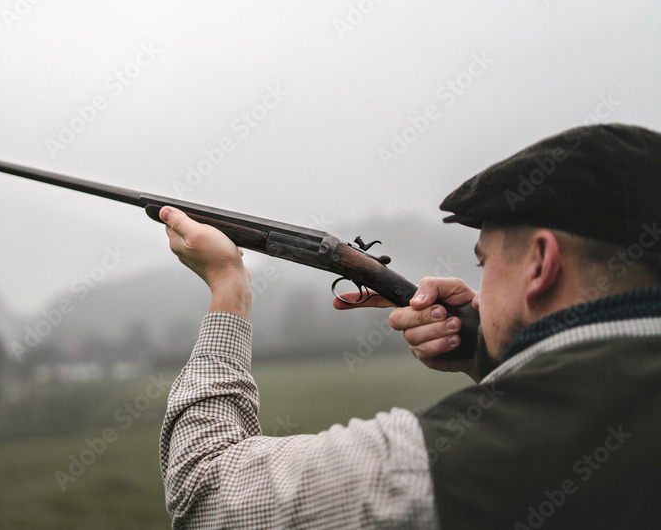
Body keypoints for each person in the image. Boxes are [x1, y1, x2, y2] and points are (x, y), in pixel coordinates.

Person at [157, 123, 661, 529]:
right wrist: (483, 355)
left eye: (483, 265)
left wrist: (229, 286)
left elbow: (204, 493)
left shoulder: (446, 458)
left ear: (541, 263)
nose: (478, 290)